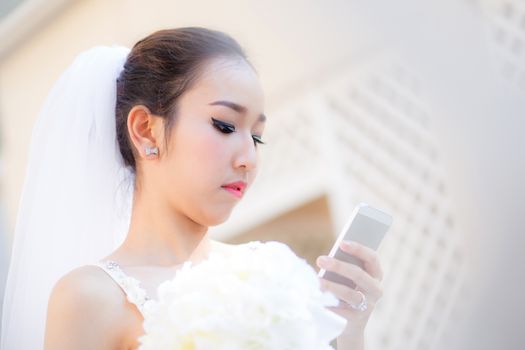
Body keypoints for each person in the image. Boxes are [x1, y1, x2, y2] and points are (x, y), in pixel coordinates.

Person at [1, 27, 383, 349]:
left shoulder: (272, 271)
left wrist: (347, 332)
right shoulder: (90, 297)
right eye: (225, 125)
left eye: (258, 137)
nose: (248, 158)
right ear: (145, 130)